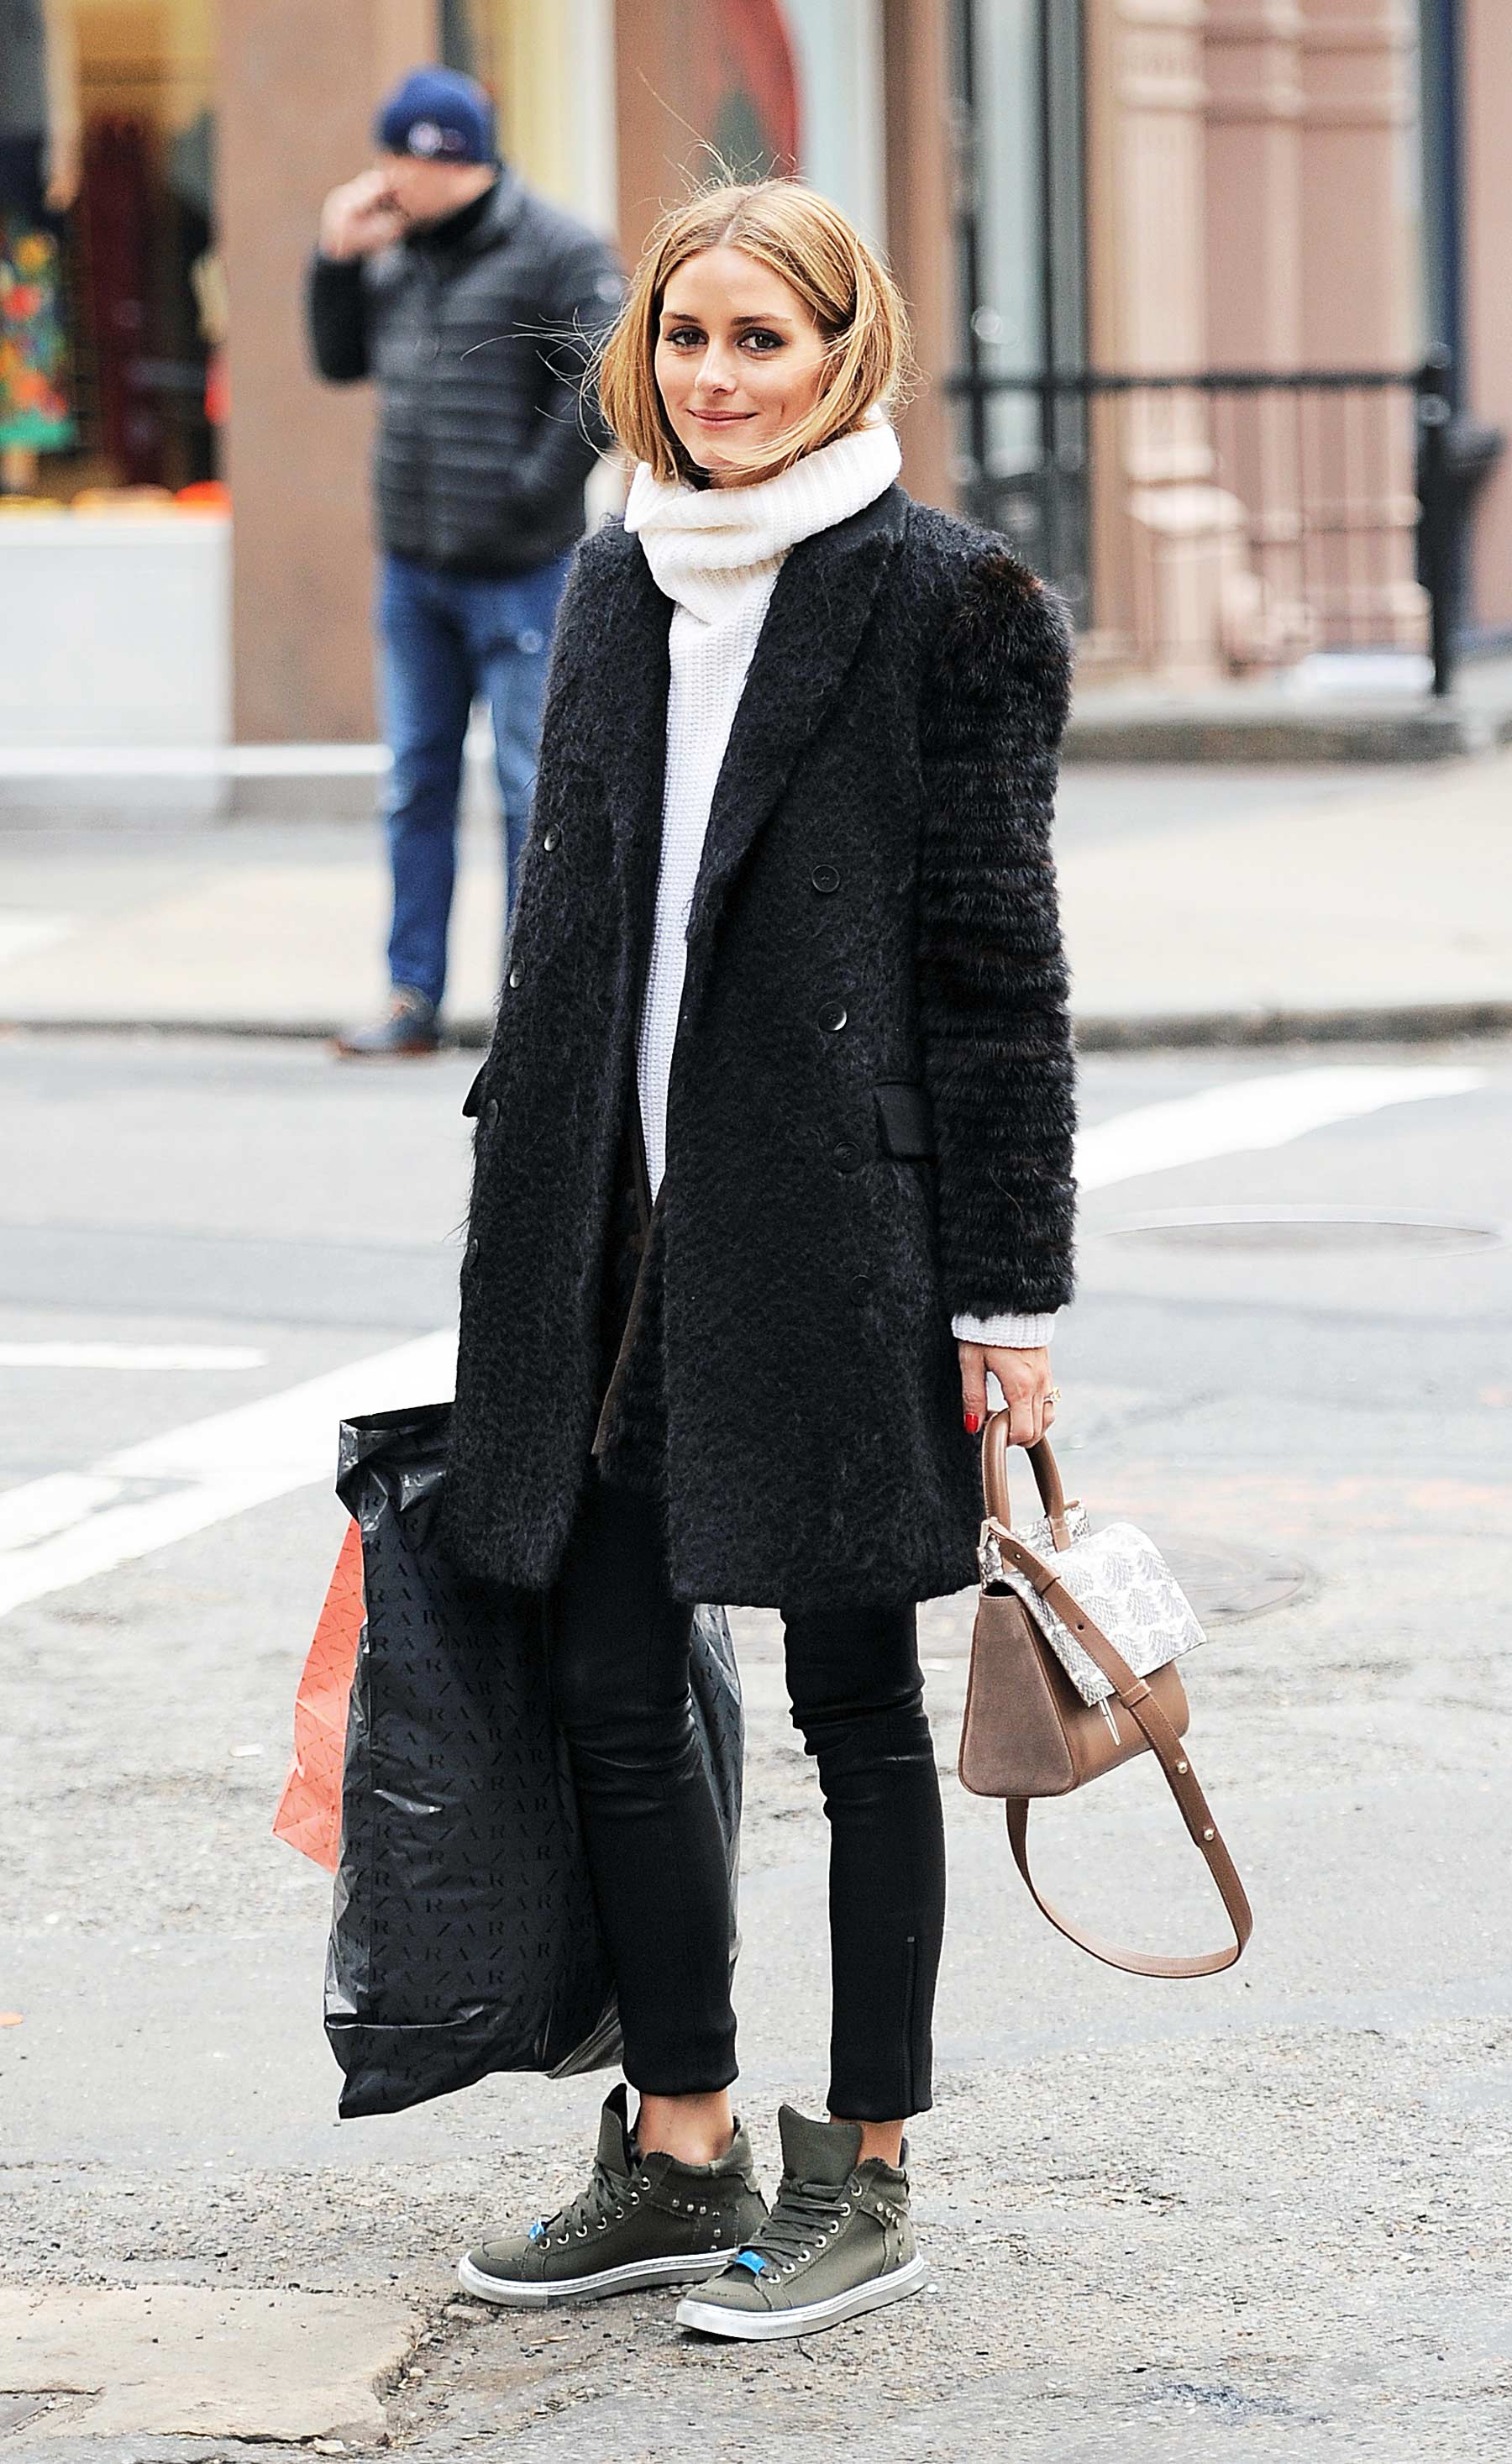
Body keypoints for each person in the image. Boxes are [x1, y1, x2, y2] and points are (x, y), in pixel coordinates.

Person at [441, 178, 1075, 2340]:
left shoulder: (953, 603)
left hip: (836, 1235)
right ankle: (677, 2135)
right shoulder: (613, 579)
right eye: (687, 338)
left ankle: (865, 2167)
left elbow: (1000, 978)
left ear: (846, 354)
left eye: (761, 342)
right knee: (619, 1692)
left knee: (852, 1709)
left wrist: (1009, 1303)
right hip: (597, 1230)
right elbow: (561, 914)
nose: (717, 379)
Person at [307, 66, 625, 1057]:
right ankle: (412, 998)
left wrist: (526, 496)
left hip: (524, 568)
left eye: (398, 154)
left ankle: (535, 1011)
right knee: (415, 785)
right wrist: (335, 259)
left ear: (448, 156)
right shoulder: (397, 253)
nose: (384, 175)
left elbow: (604, 385)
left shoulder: (558, 247)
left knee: (534, 792)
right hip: (414, 569)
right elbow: (338, 360)